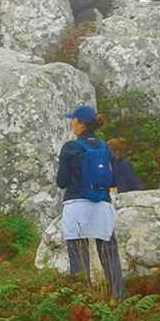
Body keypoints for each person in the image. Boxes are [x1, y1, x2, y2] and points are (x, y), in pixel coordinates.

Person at [56, 104, 125, 299]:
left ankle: (84, 303)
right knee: (110, 256)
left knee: (79, 259)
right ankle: (119, 300)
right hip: (102, 206)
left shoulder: (70, 148)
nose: (71, 122)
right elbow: (114, 180)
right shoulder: (106, 148)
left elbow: (62, 182)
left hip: (76, 207)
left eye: (73, 120)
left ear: (82, 124)